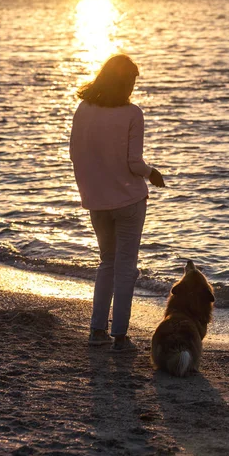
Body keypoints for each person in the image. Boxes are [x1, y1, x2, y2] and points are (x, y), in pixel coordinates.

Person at [69, 54, 165, 351]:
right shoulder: (132, 113)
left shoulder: (83, 109)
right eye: (131, 82)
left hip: (97, 202)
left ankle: (97, 331)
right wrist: (152, 173)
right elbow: (134, 163)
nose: (132, 89)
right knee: (126, 267)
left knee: (107, 263)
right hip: (129, 201)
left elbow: (75, 155)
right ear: (123, 82)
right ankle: (120, 336)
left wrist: (91, 188)